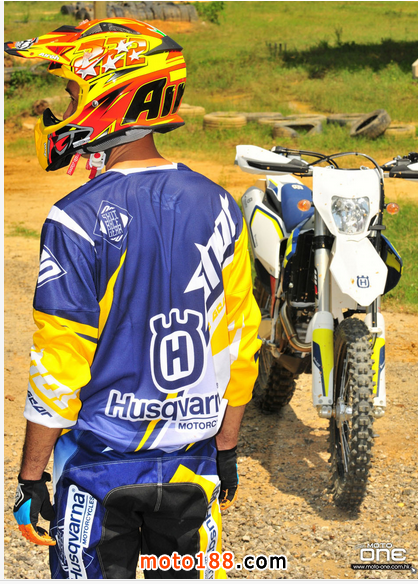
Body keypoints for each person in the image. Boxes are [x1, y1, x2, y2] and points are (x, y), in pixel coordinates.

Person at [5, 17, 261, 579]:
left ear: (110, 95)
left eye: (73, 93)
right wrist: (227, 447)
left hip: (100, 468)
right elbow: (241, 342)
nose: (65, 109)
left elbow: (59, 361)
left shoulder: (74, 218)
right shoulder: (220, 205)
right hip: (192, 464)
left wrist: (31, 475)